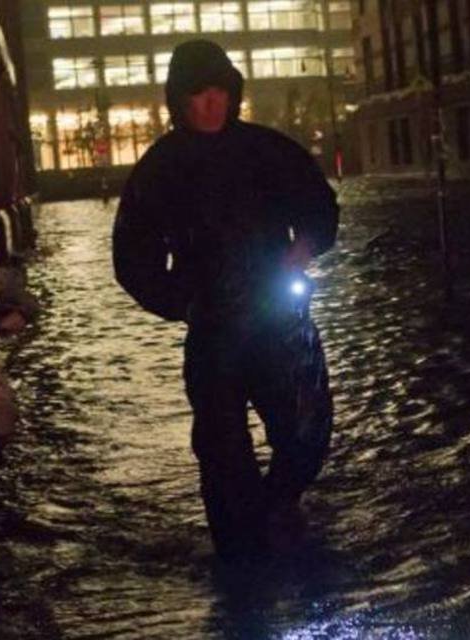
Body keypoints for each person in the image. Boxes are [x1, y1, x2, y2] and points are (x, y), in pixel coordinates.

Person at [113, 39, 338, 560]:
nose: (212, 104)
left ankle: (277, 505)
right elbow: (133, 257)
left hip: (280, 318)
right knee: (221, 448)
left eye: (219, 92)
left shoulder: (268, 150)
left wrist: (303, 247)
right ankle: (241, 559)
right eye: (200, 94)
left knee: (306, 425)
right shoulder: (160, 168)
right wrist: (181, 301)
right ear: (180, 100)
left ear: (232, 93)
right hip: (213, 328)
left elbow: (318, 207)